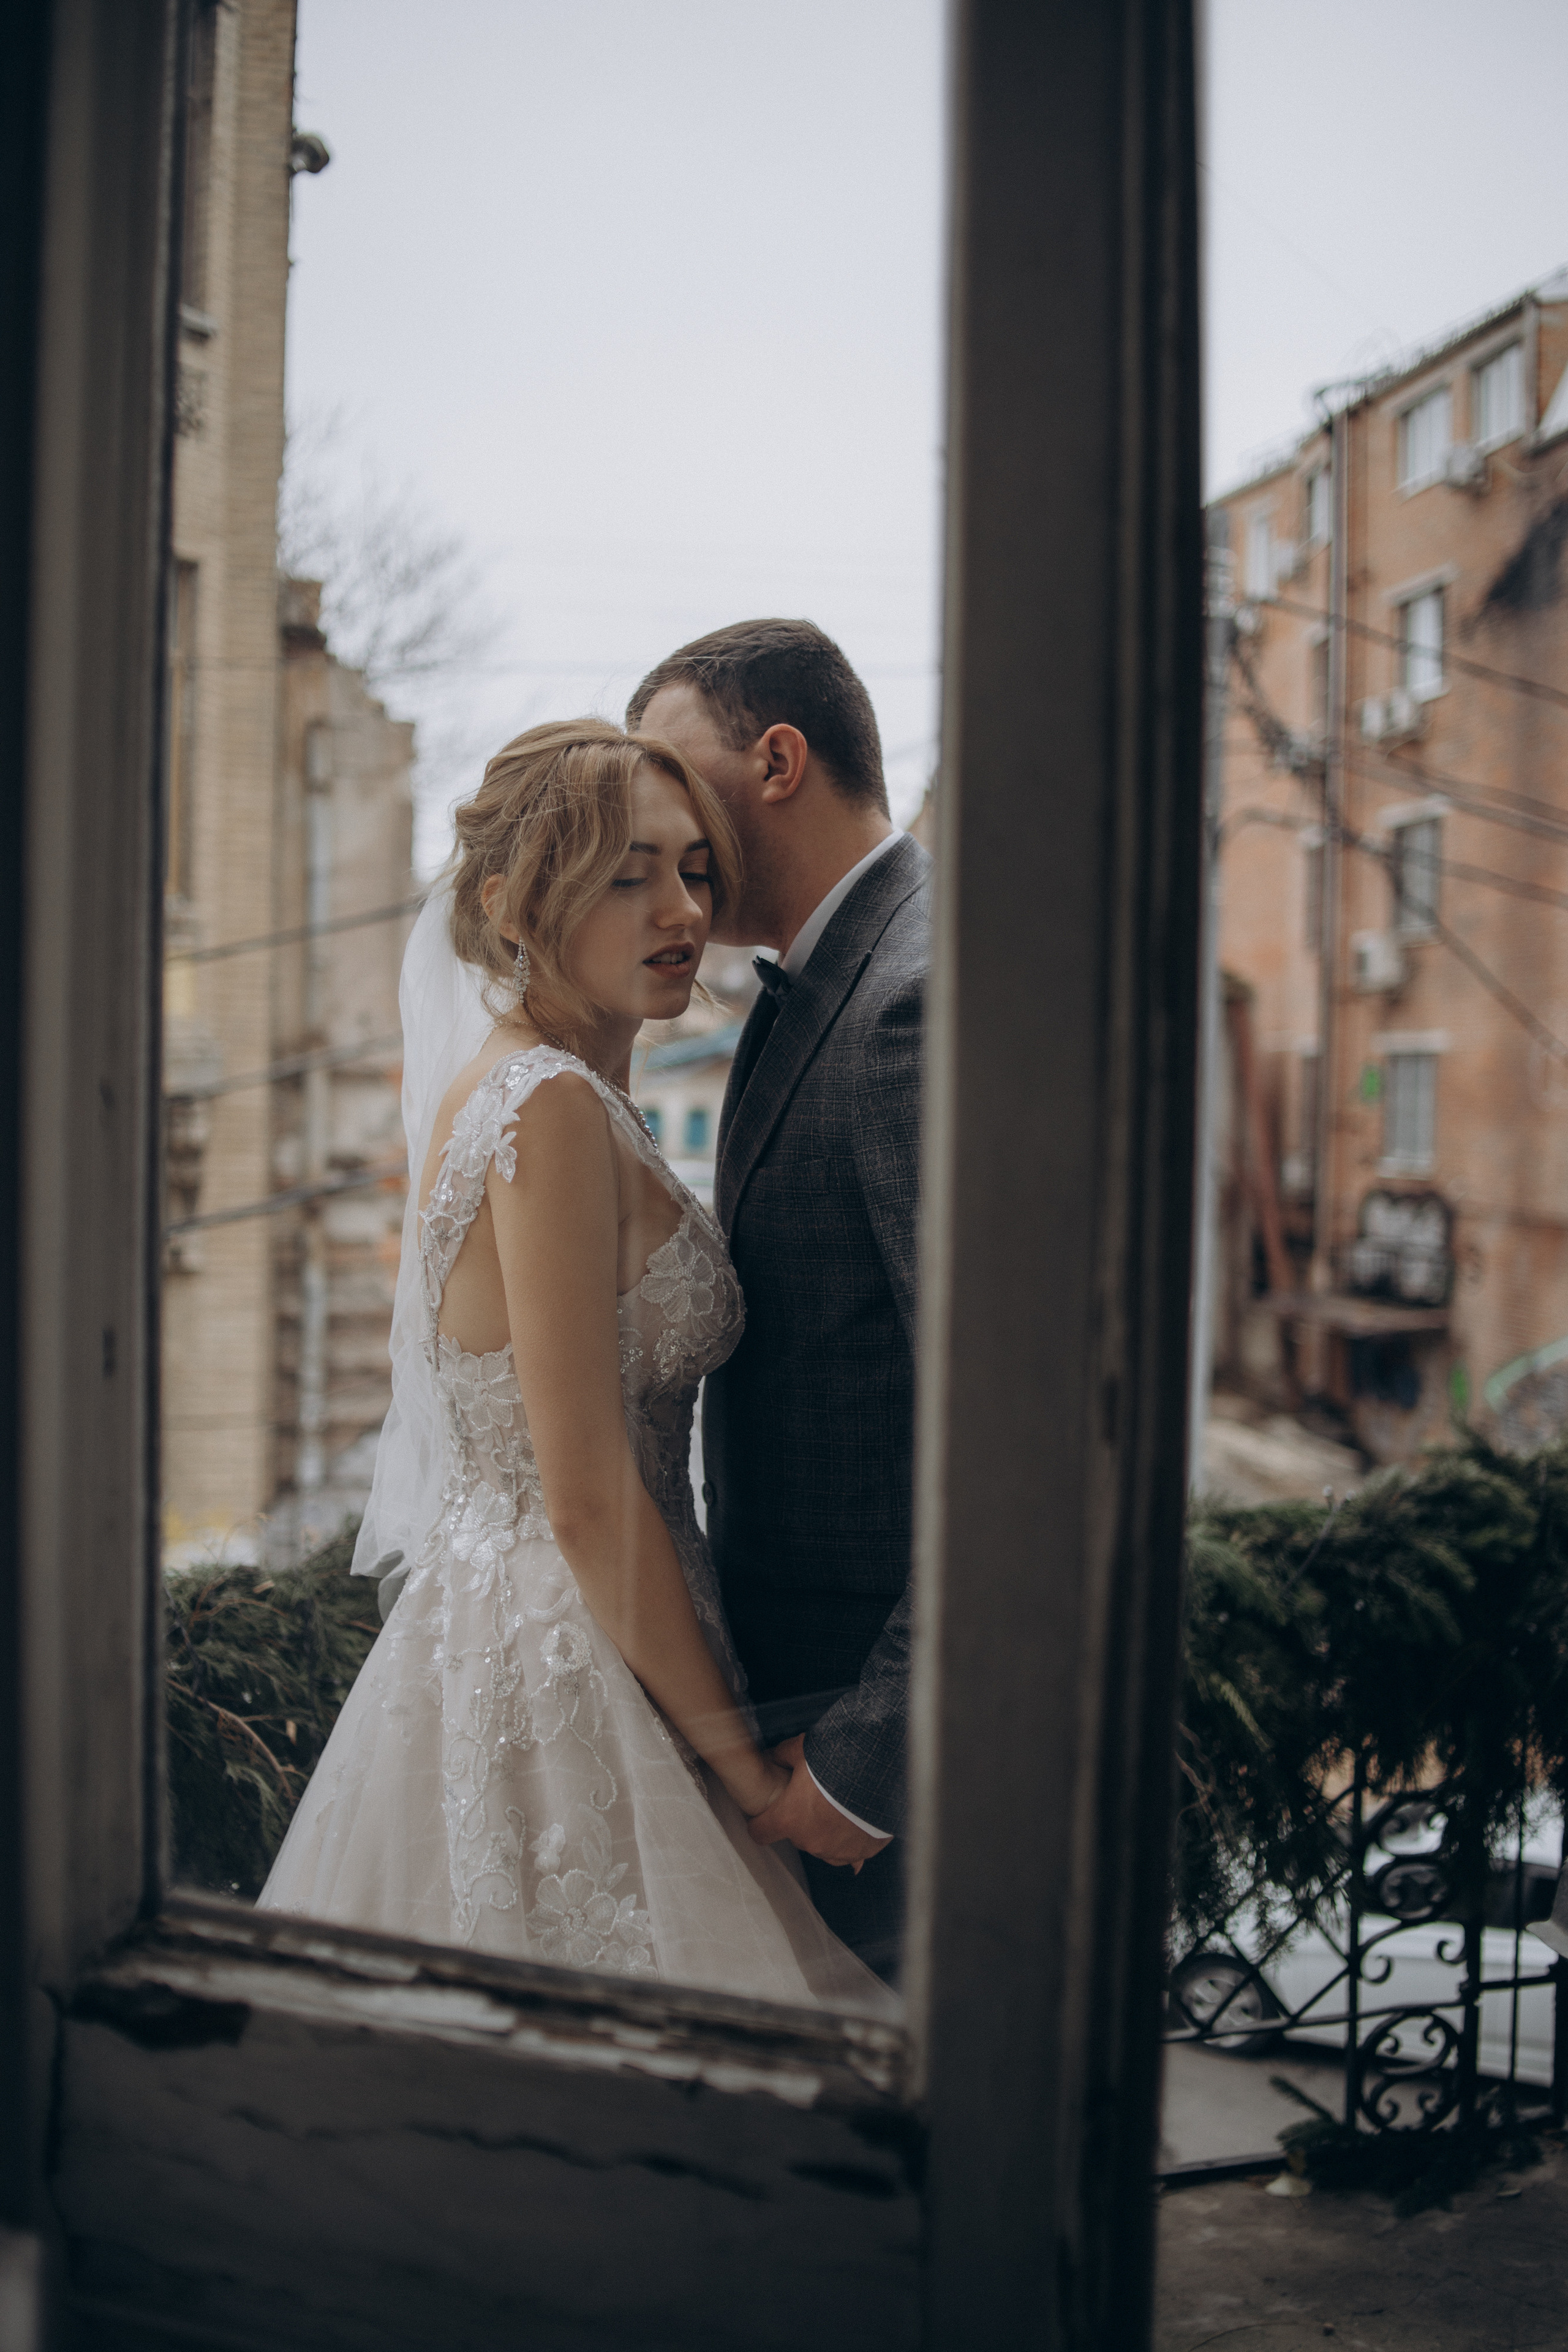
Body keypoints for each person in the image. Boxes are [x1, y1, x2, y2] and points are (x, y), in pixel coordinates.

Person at [258, 718, 888, 2013]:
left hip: (594, 1612)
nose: (676, 909)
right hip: (564, 1645)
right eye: (622, 875)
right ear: (508, 904)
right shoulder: (542, 1106)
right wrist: (750, 1773)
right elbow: (587, 1493)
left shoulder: (541, 1090)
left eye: (691, 870)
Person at [628, 620, 930, 1982]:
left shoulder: (907, 1003)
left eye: (674, 772)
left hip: (865, 1761)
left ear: (777, 758)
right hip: (782, 1701)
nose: (657, 812)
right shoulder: (820, 980)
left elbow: (1004, 1439)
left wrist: (874, 1763)